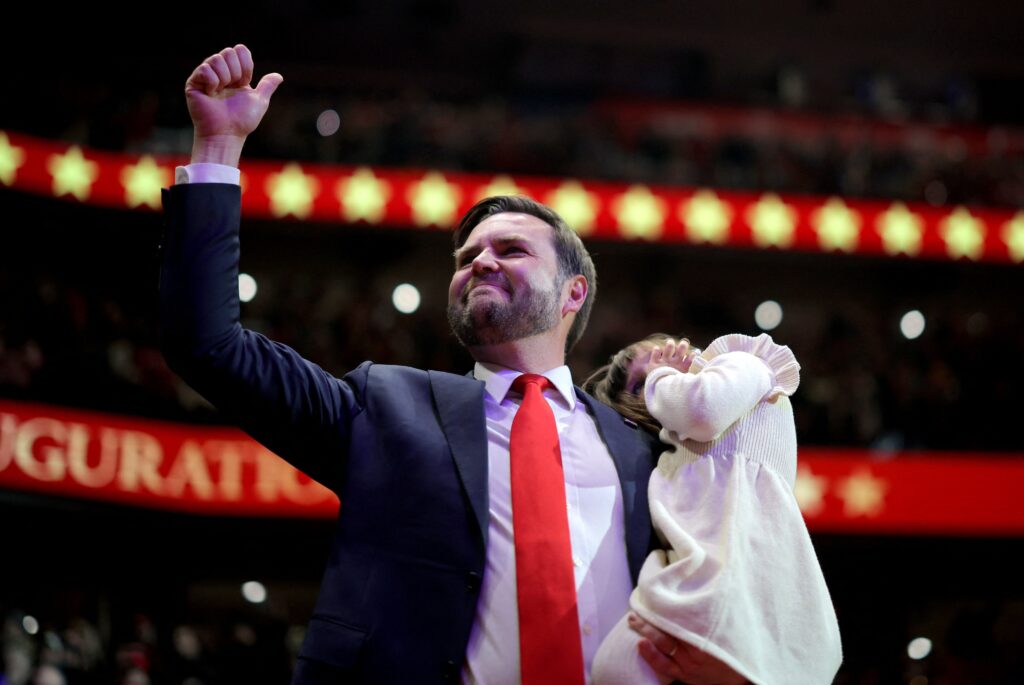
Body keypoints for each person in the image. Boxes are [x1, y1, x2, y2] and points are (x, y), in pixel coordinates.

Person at [160, 45, 743, 684]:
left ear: (574, 293)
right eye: (466, 258)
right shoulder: (384, 408)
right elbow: (208, 345)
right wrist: (217, 150)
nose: (480, 264)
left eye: (511, 249)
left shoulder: (644, 453)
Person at [585, 334, 843, 684]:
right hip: (706, 585)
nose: (662, 363)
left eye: (662, 351)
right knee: (614, 667)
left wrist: (661, 375)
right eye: (640, 384)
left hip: (742, 588)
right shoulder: (670, 458)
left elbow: (703, 410)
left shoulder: (744, 362)